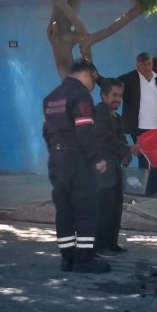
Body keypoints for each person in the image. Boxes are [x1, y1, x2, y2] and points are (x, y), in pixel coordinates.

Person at [42, 58, 111, 274]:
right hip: (77, 160)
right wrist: (96, 158)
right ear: (87, 73)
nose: (93, 85)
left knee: (63, 210)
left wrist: (55, 153)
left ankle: (67, 259)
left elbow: (46, 132)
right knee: (86, 210)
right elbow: (84, 131)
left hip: (56, 158)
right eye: (94, 79)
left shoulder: (50, 97)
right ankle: (84, 260)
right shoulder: (81, 96)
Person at [118, 52, 157, 199]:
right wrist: (96, 77)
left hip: (156, 127)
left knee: (148, 159)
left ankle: (145, 188)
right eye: (144, 64)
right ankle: (156, 189)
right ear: (137, 64)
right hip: (138, 127)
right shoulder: (128, 79)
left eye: (149, 63)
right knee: (147, 158)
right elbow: (110, 85)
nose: (147, 67)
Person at [93, 78, 135, 256]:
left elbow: (122, 140)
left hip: (115, 169)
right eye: (114, 95)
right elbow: (104, 139)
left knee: (116, 208)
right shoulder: (99, 112)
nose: (117, 99)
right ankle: (100, 245)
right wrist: (127, 149)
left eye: (120, 96)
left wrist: (127, 155)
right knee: (104, 209)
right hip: (102, 171)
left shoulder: (116, 117)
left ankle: (112, 243)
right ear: (103, 95)